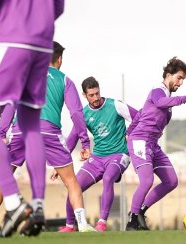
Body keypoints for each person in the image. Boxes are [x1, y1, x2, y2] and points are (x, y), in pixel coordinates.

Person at [0, 0, 64, 237]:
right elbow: (58, 2)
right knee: (30, 125)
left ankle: (14, 204)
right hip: (42, 44)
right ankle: (37, 207)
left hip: (11, 37)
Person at [0, 42, 96, 234]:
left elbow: (10, 106)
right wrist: (85, 142)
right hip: (49, 133)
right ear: (59, 59)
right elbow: (76, 113)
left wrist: (1, 133)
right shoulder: (65, 80)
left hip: (21, 131)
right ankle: (82, 224)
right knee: (71, 181)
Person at [125, 57, 186, 231]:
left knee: (171, 181)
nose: (180, 83)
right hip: (140, 141)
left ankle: (140, 211)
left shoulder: (168, 98)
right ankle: (132, 221)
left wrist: (128, 132)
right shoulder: (158, 91)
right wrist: (185, 98)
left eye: (183, 79)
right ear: (168, 75)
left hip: (153, 144)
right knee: (147, 180)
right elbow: (159, 103)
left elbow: (141, 114)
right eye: (179, 78)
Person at [57, 76, 138, 232]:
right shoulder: (84, 114)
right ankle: (69, 225)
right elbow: (73, 138)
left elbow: (139, 116)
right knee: (74, 186)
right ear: (84, 95)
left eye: (97, 93)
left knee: (108, 178)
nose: (95, 98)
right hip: (98, 157)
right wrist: (59, 164)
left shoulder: (115, 105)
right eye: (91, 95)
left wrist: (129, 132)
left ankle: (101, 223)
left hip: (119, 154)